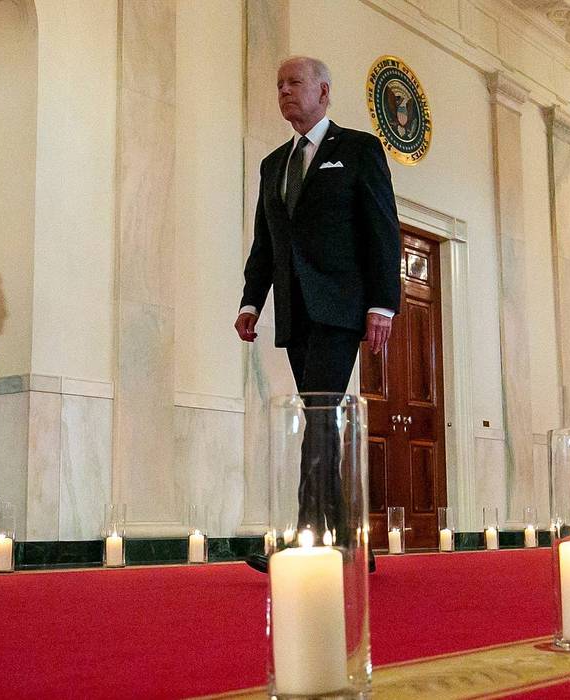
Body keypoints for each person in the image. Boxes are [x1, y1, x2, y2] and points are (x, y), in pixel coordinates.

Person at [237, 56, 401, 572]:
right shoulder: (272, 165)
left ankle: (310, 537)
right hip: (295, 309)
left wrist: (383, 303)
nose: (285, 91)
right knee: (320, 417)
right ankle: (349, 545)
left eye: (295, 83)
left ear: (324, 91)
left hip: (340, 306)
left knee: (319, 416)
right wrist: (250, 300)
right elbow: (266, 242)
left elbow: (382, 228)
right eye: (279, 84)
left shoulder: (357, 149)